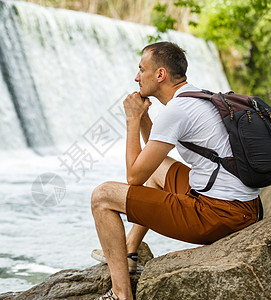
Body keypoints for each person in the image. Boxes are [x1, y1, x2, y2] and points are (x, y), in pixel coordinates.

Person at [91, 42, 261, 300]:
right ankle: (129, 250)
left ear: (160, 75)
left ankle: (121, 293)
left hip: (220, 214)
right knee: (158, 167)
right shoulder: (195, 97)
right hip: (244, 205)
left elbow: (134, 177)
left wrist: (132, 120)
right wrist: (145, 118)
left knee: (102, 197)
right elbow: (152, 157)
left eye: (141, 70)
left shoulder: (177, 111)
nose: (136, 77)